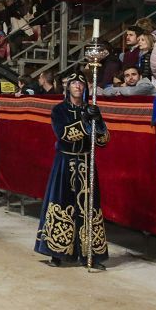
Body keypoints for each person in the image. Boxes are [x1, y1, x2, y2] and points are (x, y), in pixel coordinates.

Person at [35, 72, 110, 268]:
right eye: (74, 83)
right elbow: (64, 135)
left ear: (85, 88)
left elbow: (103, 141)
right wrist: (85, 123)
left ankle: (91, 254)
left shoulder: (91, 109)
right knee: (61, 204)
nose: (77, 86)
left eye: (81, 83)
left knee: (89, 208)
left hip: (86, 162)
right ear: (68, 87)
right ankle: (56, 252)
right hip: (65, 162)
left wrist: (98, 122)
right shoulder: (59, 110)